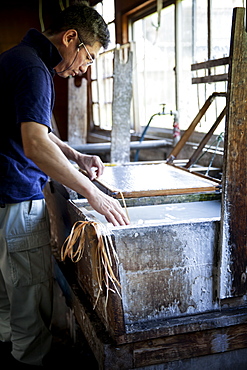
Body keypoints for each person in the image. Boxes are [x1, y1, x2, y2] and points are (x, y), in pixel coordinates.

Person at [0, 2, 129, 367]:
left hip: (3, 201)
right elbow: (35, 144)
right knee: (29, 308)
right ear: (70, 38)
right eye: (88, 58)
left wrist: (77, 157)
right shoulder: (34, 70)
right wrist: (94, 194)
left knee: (7, 304)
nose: (85, 69)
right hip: (16, 203)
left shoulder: (16, 58)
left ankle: (11, 349)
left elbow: (35, 130)